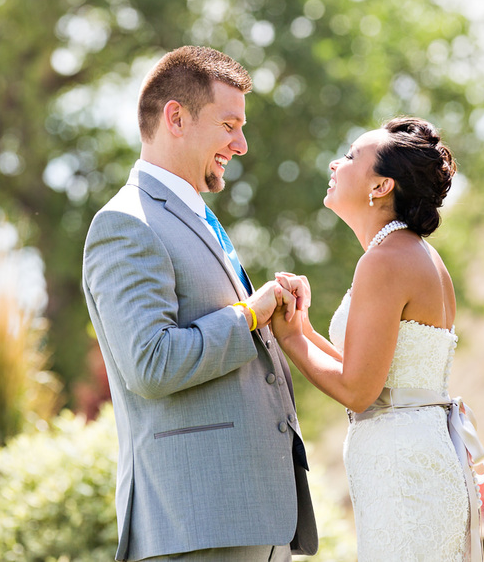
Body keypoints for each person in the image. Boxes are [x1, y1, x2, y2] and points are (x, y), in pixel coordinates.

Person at [82, 45, 318, 561]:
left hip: (250, 517)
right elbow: (151, 364)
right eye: (229, 124)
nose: (242, 143)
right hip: (197, 522)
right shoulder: (126, 224)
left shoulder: (194, 217)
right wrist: (251, 314)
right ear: (176, 118)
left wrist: (275, 316)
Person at [272, 117, 484, 562]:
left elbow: (359, 390)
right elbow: (375, 373)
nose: (335, 163)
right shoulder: (410, 254)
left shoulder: (386, 260)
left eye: (351, 156)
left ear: (381, 186)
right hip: (416, 459)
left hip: (402, 474)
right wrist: (306, 328)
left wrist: (289, 340)